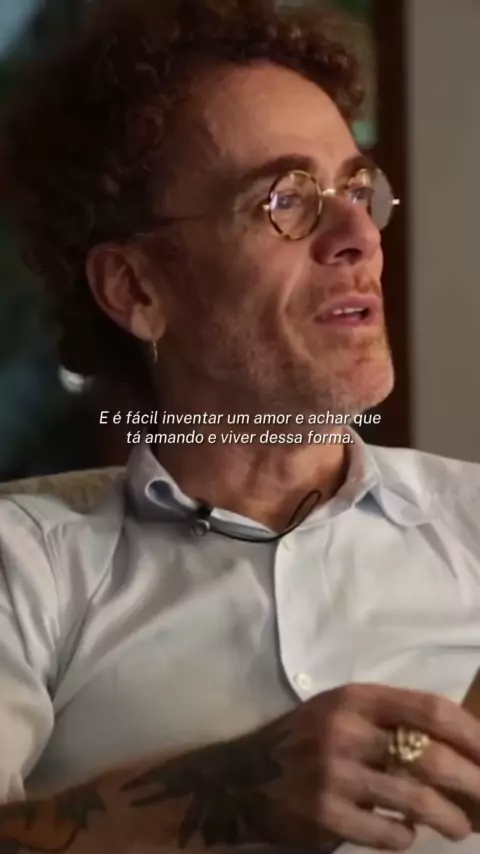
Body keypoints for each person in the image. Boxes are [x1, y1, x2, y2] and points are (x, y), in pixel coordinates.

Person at [1, 0, 480, 852]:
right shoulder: (26, 563)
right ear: (136, 289)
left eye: (356, 189)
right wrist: (236, 789)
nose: (358, 236)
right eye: (284, 200)